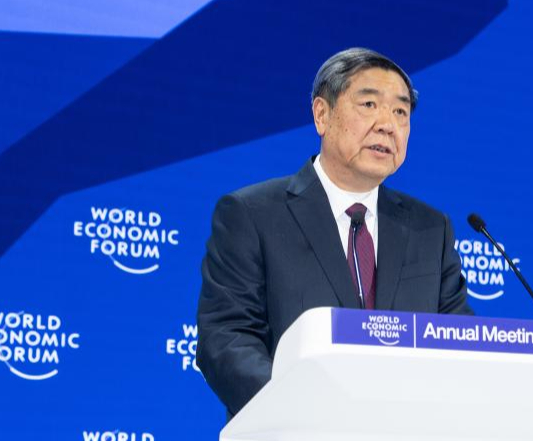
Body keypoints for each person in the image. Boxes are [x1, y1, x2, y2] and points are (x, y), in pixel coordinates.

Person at [197, 47, 472, 420]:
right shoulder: (253, 214)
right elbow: (227, 338)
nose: (387, 125)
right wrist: (309, 412)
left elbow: (459, 344)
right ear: (322, 115)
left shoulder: (430, 229)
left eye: (401, 112)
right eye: (369, 105)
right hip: (291, 440)